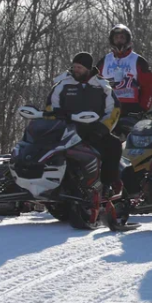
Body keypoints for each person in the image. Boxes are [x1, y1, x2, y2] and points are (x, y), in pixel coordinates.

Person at [47, 52, 122, 198]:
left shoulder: (102, 86)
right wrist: (57, 121)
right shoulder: (62, 84)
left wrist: (103, 129)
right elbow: (50, 107)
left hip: (94, 130)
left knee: (114, 145)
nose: (76, 70)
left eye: (79, 67)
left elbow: (114, 110)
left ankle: (108, 184)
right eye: (74, 67)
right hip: (66, 130)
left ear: (88, 68)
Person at [100, 24, 152, 128]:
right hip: (108, 110)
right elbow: (95, 84)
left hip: (131, 111)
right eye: (116, 38)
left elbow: (148, 86)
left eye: (122, 37)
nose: (119, 40)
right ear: (112, 40)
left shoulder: (138, 61)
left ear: (127, 40)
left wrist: (143, 108)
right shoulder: (104, 61)